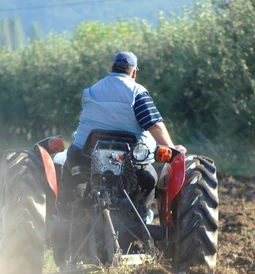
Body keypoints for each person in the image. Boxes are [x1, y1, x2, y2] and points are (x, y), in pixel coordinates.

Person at [66, 51, 186, 207]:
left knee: (69, 172)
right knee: (150, 178)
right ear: (134, 72)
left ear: (111, 68)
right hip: (130, 158)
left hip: (85, 154)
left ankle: (71, 211)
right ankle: (141, 214)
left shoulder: (90, 91)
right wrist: (171, 148)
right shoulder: (137, 92)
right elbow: (154, 124)